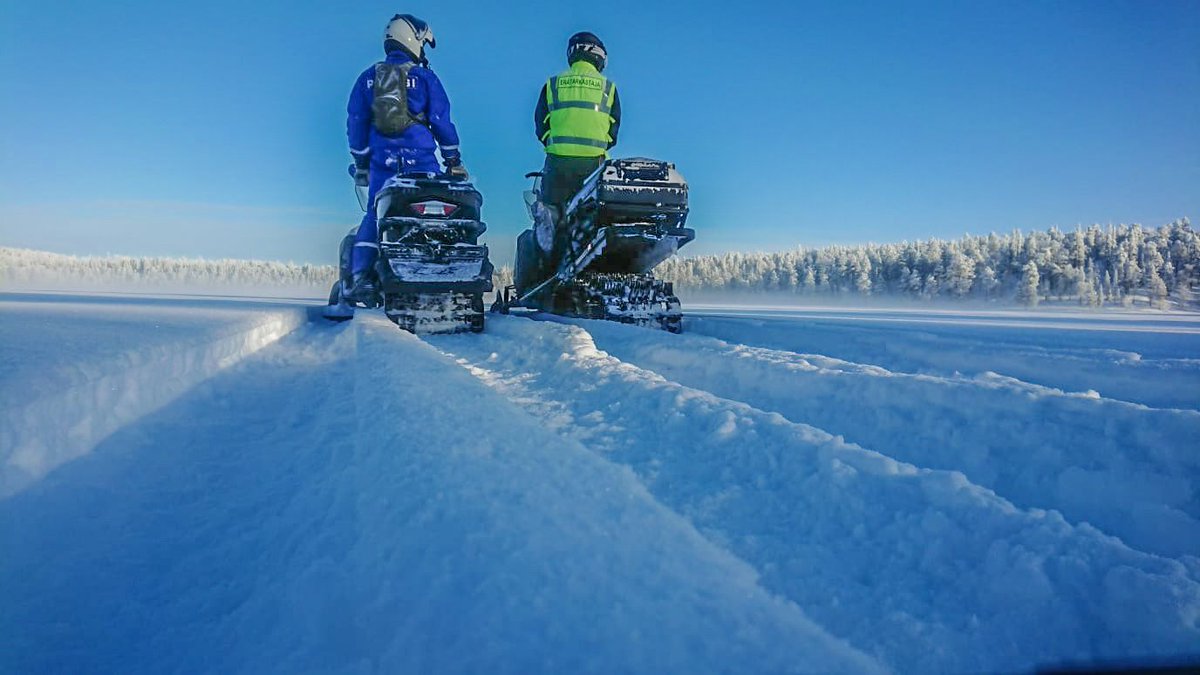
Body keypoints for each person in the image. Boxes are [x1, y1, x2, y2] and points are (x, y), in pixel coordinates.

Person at [345, 14, 467, 299]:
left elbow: (356, 122)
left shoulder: (368, 78)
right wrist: (454, 161)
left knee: (374, 216)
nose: (423, 51)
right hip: (422, 166)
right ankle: (441, 276)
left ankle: (360, 279)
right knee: (434, 218)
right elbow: (441, 121)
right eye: (423, 45)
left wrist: (362, 162)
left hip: (382, 167)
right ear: (413, 40)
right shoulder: (424, 77)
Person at [533, 31, 621, 257]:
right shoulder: (608, 88)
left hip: (557, 165)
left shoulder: (553, 85)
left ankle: (549, 260)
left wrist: (556, 144)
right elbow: (613, 132)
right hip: (594, 167)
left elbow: (541, 125)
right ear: (599, 55)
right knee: (593, 216)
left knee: (554, 216)